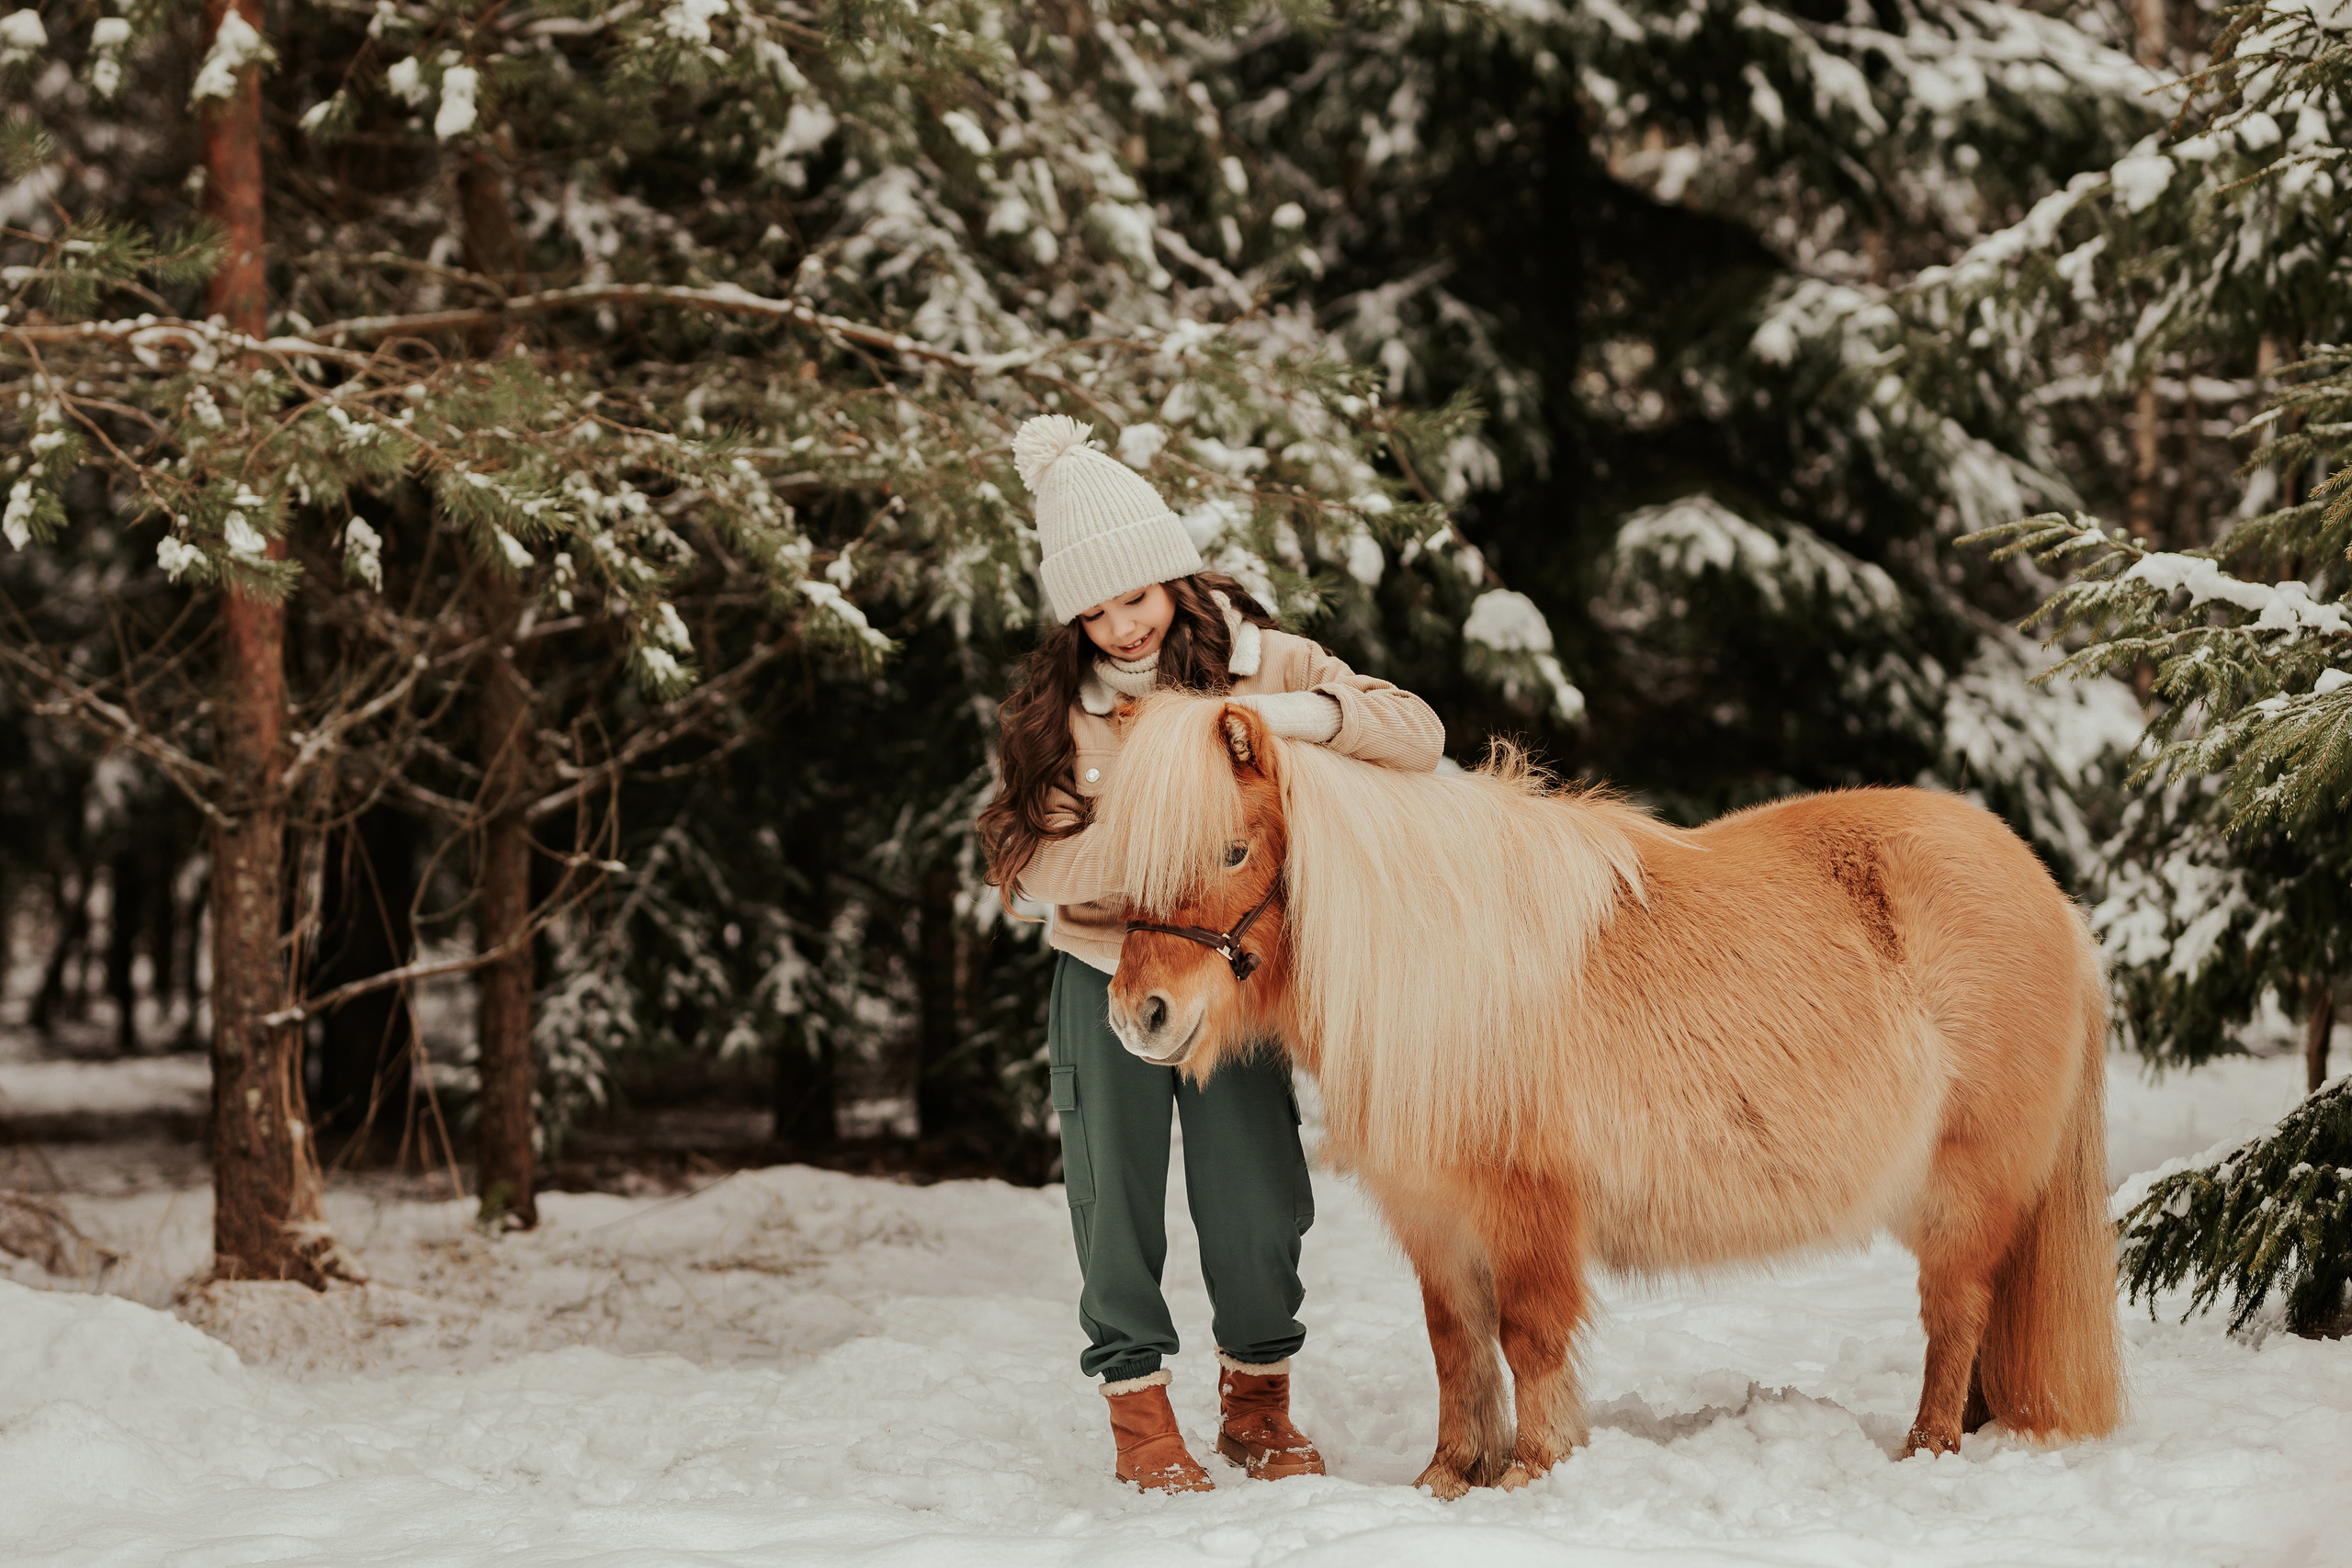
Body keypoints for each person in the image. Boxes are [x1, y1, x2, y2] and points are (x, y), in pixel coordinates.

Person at [977, 413, 1445, 1493]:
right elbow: (1023, 866)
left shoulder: (1268, 660)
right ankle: (1140, 1421)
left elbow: (1417, 735)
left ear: (1174, 579)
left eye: (1133, 597)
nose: (1120, 629)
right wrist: (1148, 836)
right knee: (1115, 1201)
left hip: (1234, 982)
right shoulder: (1063, 711)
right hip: (1108, 976)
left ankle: (1258, 1408)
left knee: (1257, 1193)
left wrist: (1279, 715)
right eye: (1092, 613)